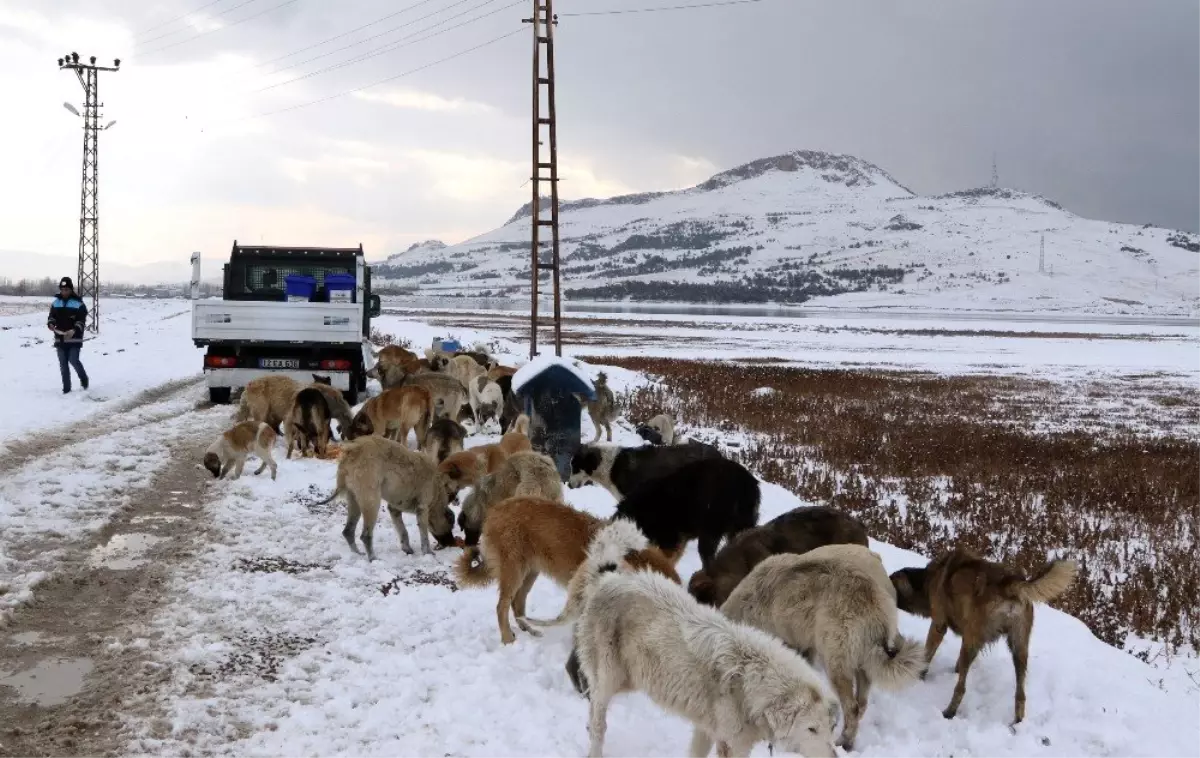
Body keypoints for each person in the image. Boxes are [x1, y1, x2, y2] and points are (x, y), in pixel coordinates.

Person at [48, 276, 89, 394]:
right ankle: (66, 389)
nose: (64, 292)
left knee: (73, 360)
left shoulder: (79, 304)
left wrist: (74, 330)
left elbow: (81, 320)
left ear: (71, 289)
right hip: (60, 338)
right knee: (63, 364)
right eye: (62, 289)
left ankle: (84, 379)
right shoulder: (56, 303)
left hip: (74, 338)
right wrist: (51, 324)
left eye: (67, 289)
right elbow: (51, 317)